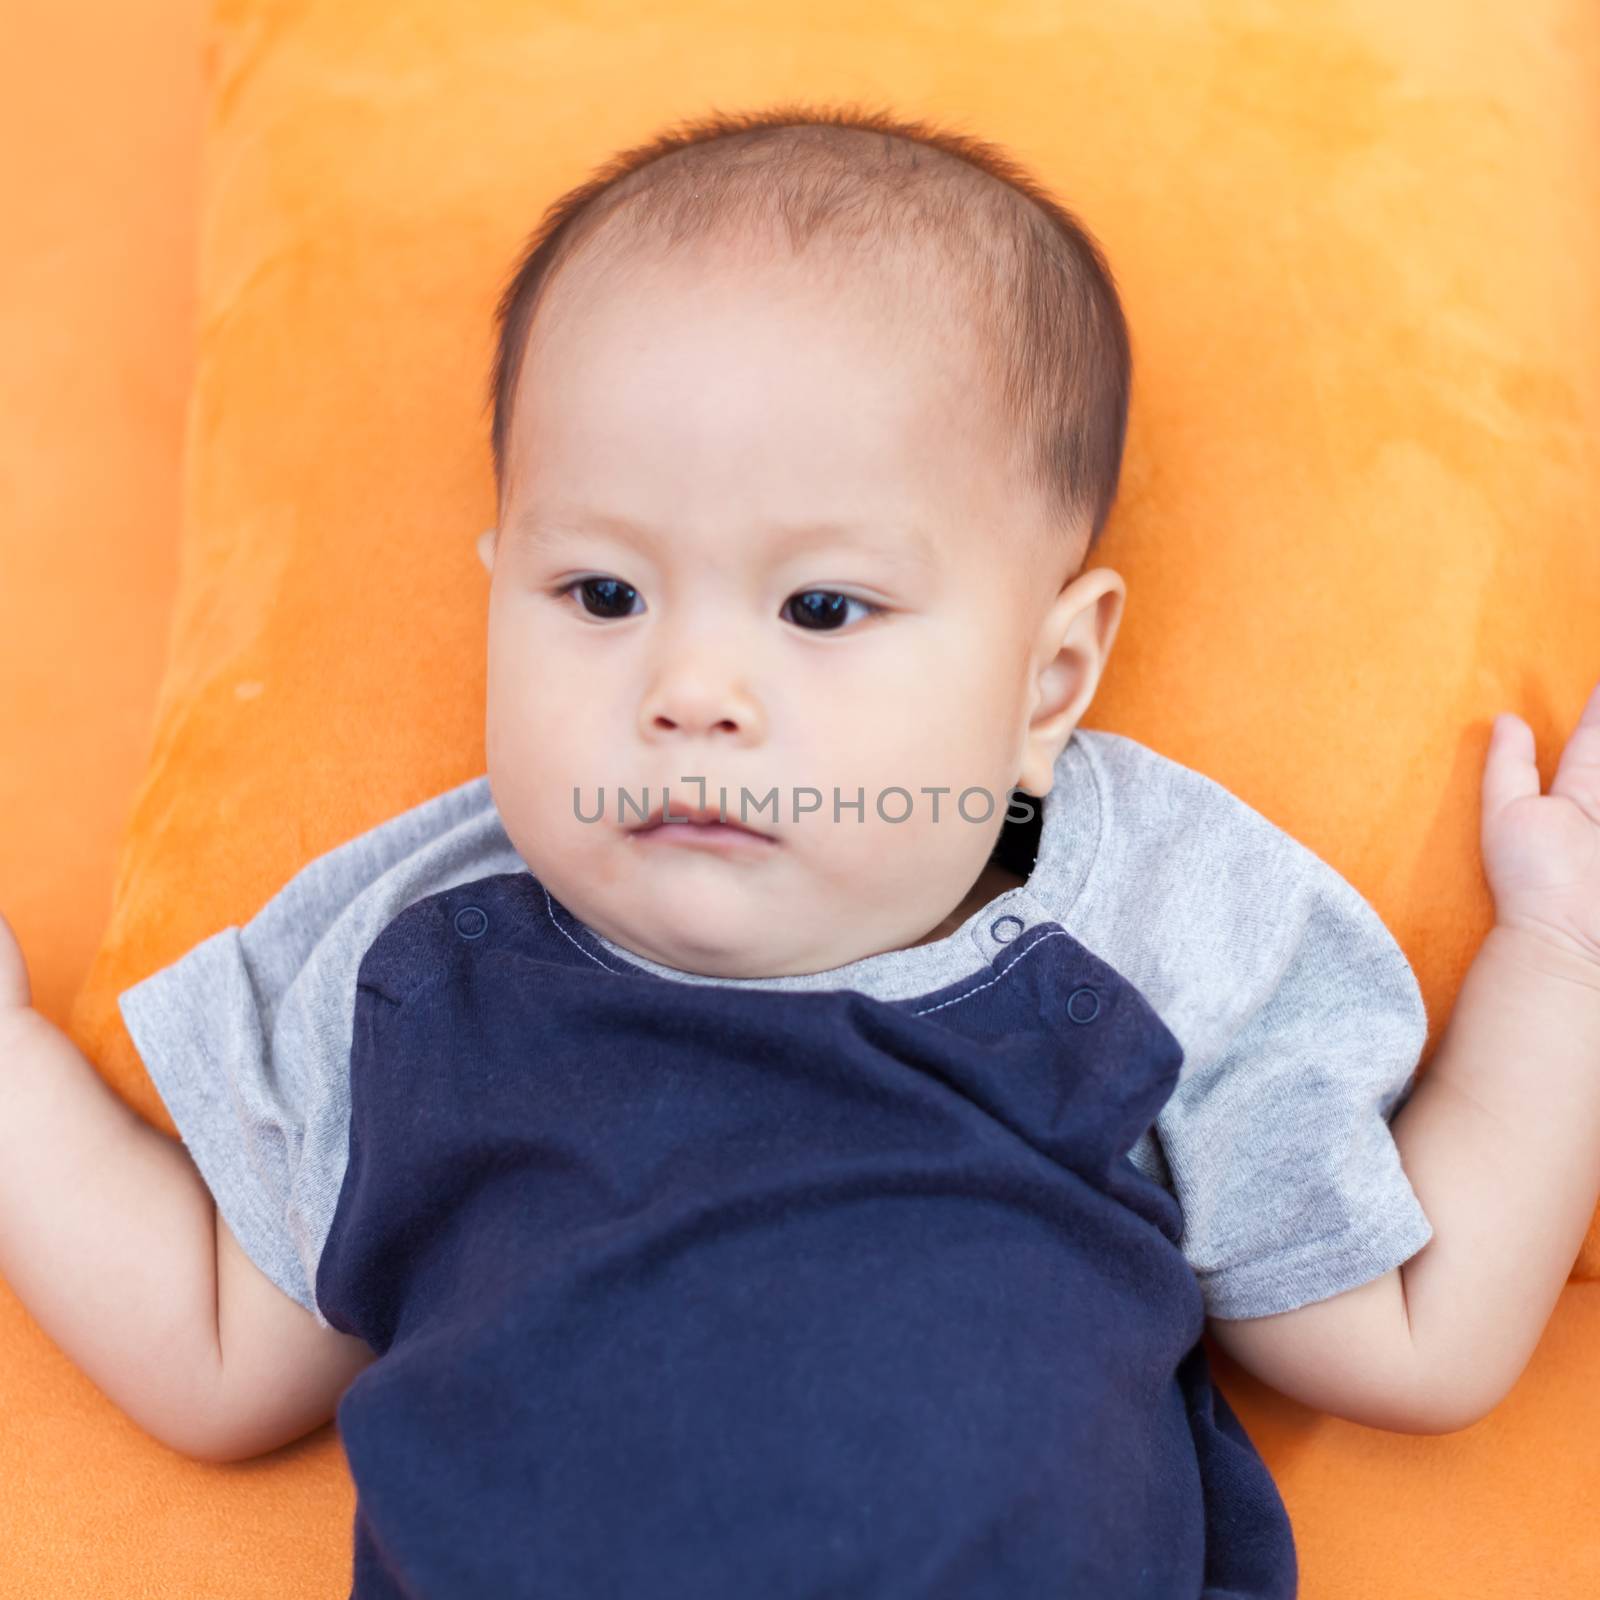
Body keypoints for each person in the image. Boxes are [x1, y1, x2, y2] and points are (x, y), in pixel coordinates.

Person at [3, 106, 1599, 1599]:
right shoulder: (424, 956)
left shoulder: (1143, 918)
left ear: (1048, 682)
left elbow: (1414, 1342)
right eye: (602, 597)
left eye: (821, 609)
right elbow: (220, 1356)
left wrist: (1563, 959)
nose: (690, 694)